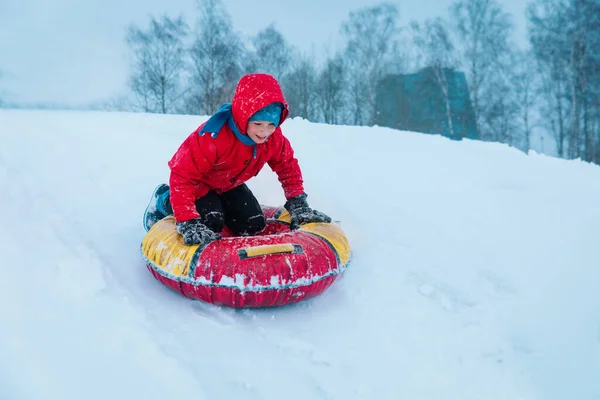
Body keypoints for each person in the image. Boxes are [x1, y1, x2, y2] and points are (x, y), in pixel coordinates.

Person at [143, 73, 331, 245]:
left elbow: (287, 167)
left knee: (253, 224)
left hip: (229, 186)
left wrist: (298, 202)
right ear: (244, 116)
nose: (264, 132)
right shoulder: (213, 136)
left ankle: (220, 206)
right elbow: (183, 175)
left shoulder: (273, 139)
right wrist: (187, 220)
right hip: (198, 186)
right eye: (257, 123)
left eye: (271, 124)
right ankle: (164, 199)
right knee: (211, 221)